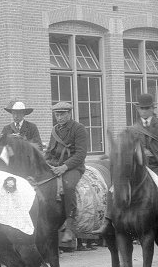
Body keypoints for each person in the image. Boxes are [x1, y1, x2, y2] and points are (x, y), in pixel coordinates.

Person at [92, 93, 158, 236]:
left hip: (155, 167)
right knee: (113, 189)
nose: (144, 111)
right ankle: (108, 221)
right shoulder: (131, 130)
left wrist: (151, 154)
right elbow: (122, 149)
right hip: (136, 169)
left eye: (147, 108)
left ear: (153, 108)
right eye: (142, 108)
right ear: (138, 109)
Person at [44, 101, 88, 243]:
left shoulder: (79, 128)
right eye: (57, 114)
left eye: (62, 114)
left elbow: (81, 154)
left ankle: (69, 225)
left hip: (73, 167)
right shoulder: (55, 130)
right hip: (55, 165)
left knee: (68, 186)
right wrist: (45, 164)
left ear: (69, 113)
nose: (59, 117)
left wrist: (64, 167)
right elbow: (50, 152)